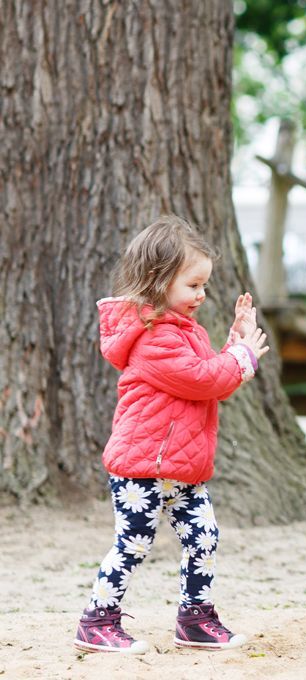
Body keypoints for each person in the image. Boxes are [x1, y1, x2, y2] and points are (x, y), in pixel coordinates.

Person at [74, 215, 270, 654]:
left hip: (180, 467)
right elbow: (204, 380)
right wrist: (242, 356)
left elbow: (209, 380)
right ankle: (97, 620)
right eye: (193, 285)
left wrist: (232, 343)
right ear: (158, 281)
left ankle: (194, 619)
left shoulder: (185, 331)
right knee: (134, 543)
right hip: (142, 467)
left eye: (204, 285)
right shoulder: (152, 337)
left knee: (204, 537)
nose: (201, 295)